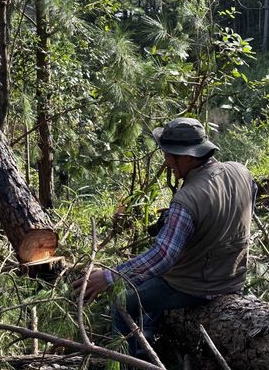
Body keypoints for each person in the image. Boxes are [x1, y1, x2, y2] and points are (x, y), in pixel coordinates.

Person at [72, 117, 255, 357]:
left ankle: (132, 361)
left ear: (189, 157)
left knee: (122, 304)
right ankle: (151, 339)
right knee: (143, 286)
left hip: (197, 286)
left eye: (171, 155)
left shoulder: (187, 199)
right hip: (233, 278)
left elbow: (163, 256)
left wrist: (108, 276)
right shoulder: (241, 172)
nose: (167, 161)